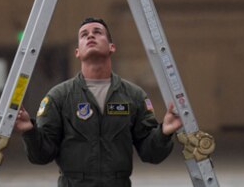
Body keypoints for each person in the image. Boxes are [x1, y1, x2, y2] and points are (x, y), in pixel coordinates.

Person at [15, 17, 183, 186]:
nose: (90, 37)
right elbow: (42, 155)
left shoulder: (134, 96)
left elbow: (150, 153)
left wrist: (164, 132)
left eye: (97, 32)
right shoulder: (59, 97)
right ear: (77, 52)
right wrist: (29, 131)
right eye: (84, 35)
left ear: (112, 47)